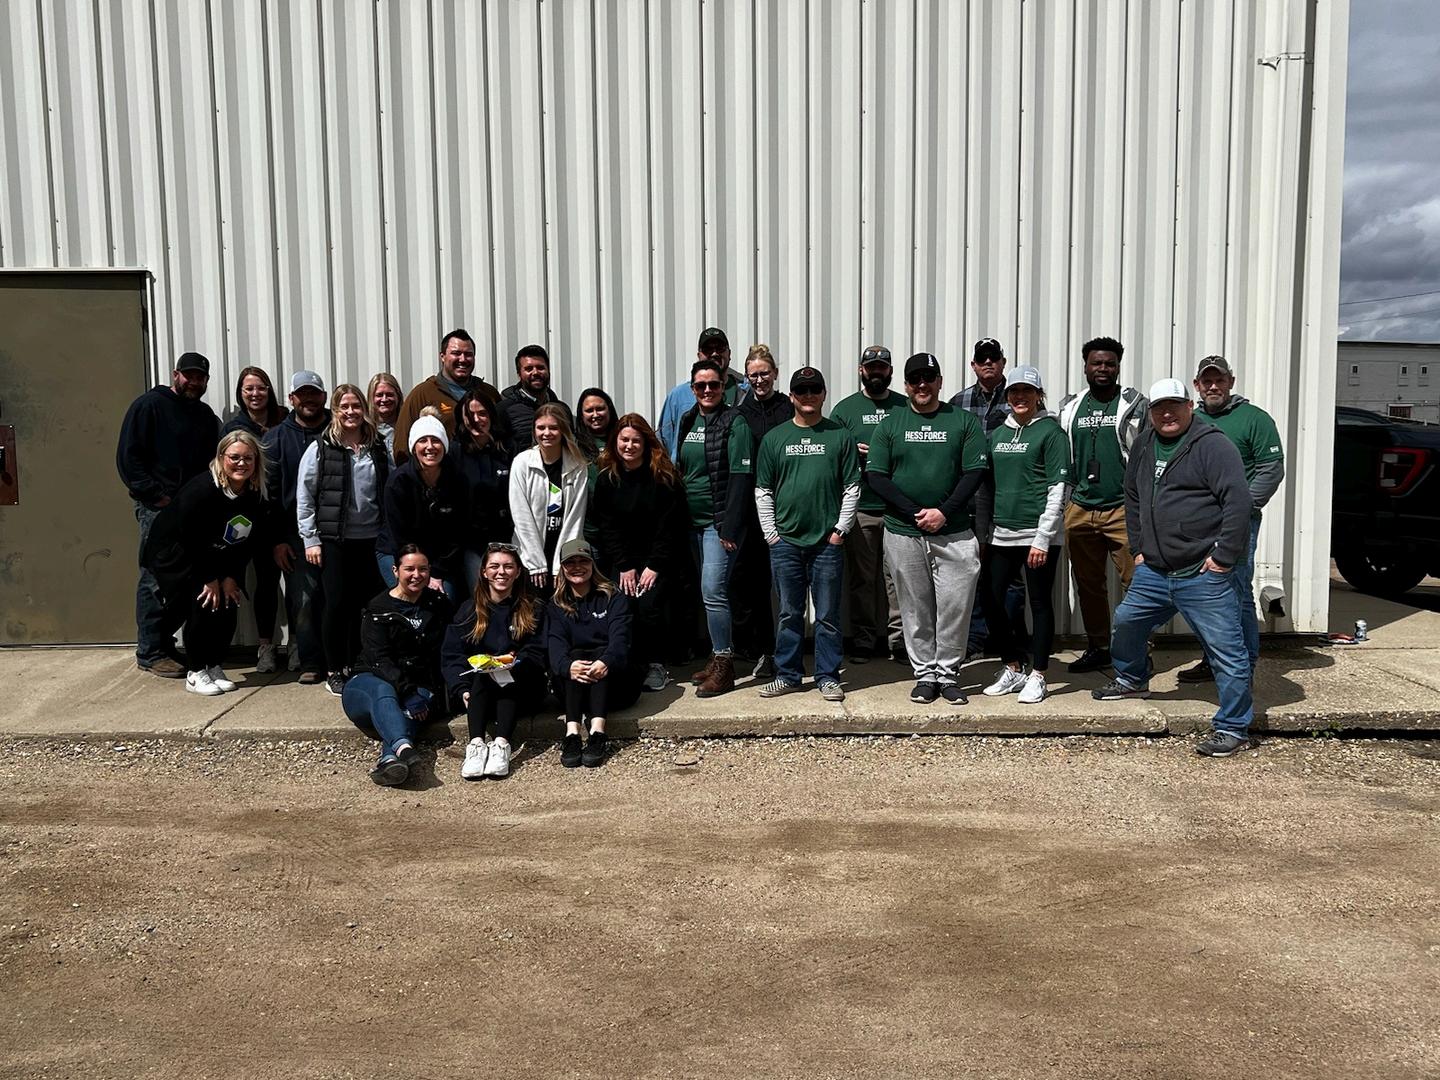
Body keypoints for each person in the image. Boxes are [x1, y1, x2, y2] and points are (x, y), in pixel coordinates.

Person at [1093, 378, 1255, 758]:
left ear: (1189, 406)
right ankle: (1133, 679)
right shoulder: (1145, 443)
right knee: (1127, 622)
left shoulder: (1213, 445)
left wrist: (1223, 558)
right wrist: (1138, 549)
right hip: (1154, 570)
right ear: (1150, 412)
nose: (1167, 413)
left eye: (1174, 406)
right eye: (1159, 407)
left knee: (1226, 650)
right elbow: (1132, 496)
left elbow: (1238, 502)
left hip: (1201, 572)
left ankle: (1233, 727)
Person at [866, 352, 989, 705]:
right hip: (903, 532)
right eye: (915, 379)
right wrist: (916, 512)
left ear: (939, 382)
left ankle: (948, 673)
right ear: (906, 385)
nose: (922, 385)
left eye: (929, 378)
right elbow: (876, 475)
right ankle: (925, 674)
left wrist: (943, 513)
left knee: (954, 606)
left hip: (954, 532)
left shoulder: (962, 422)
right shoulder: (890, 424)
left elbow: (974, 472)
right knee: (914, 607)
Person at [753, 367, 860, 702]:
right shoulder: (775, 439)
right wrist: (772, 535)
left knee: (827, 615)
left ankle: (828, 676)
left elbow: (852, 487)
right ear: (792, 397)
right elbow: (763, 490)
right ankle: (788, 675)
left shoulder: (839, 436)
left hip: (827, 543)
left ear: (824, 394)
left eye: (815, 389)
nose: (809, 396)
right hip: (785, 542)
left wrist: (840, 530)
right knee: (789, 613)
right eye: (802, 390)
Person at [1176, 355, 1286, 683]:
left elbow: (1271, 469)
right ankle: (1214, 660)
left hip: (1236, 525)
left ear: (1231, 382)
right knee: (1199, 593)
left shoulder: (1254, 419)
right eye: (1206, 381)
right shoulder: (1189, 420)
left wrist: (1240, 509)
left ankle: (1243, 667)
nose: (1213, 386)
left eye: (1219, 380)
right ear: (1197, 385)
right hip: (1196, 525)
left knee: (1235, 592)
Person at [140, 430, 272, 696]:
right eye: (234, 457)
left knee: (228, 604)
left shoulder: (254, 495)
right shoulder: (202, 490)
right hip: (179, 556)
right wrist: (208, 578)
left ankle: (213, 664)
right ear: (222, 458)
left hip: (218, 554)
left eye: (248, 458)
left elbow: (245, 541)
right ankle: (196, 670)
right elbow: (191, 540)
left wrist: (231, 576)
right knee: (202, 603)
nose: (242, 463)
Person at [116, 350, 220, 678]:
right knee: (154, 578)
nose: (194, 382)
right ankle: (150, 652)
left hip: (193, 510)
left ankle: (165, 643)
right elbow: (128, 458)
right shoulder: (149, 406)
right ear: (176, 375)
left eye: (200, 377)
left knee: (184, 578)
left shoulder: (204, 415)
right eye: (189, 375)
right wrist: (155, 495)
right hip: (157, 510)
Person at [978, 367, 1073, 705]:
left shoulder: (1051, 432)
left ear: (1038, 395)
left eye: (1027, 391)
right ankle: (1013, 666)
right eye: (1014, 391)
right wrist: (985, 534)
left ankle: (1039, 675)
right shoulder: (998, 435)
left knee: (1039, 603)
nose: (1020, 397)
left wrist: (1043, 538)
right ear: (1007, 396)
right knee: (990, 598)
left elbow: (1058, 487)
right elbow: (988, 486)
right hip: (1002, 533)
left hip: (1037, 535)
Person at [1057, 335, 1148, 673]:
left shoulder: (1135, 404)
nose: (1103, 369)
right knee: (1088, 585)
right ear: (1085, 367)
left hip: (1122, 507)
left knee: (1137, 583)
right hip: (1081, 507)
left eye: (1110, 363)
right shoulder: (1071, 406)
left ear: (1118, 367)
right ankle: (1099, 647)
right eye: (1097, 363)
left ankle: (1138, 651)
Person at [296, 384, 388, 695]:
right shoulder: (321, 448)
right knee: (336, 604)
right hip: (334, 540)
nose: (351, 412)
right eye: (344, 407)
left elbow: (388, 488)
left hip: (372, 539)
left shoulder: (378, 446)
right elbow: (305, 496)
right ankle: (334, 669)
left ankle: (359, 663)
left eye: (356, 406)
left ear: (364, 409)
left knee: (366, 606)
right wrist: (310, 539)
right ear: (335, 411)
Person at [590, 414, 689, 692]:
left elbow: (671, 527)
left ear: (646, 444)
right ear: (615, 442)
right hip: (623, 560)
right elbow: (607, 526)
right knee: (621, 606)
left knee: (649, 608)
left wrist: (654, 566)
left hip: (658, 559)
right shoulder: (607, 479)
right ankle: (627, 663)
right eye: (624, 440)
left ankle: (656, 664)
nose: (629, 446)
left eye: (636, 441)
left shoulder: (664, 478)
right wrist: (624, 565)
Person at [677, 357, 756, 697]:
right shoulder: (688, 419)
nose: (707, 390)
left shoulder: (734, 421)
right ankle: (715, 655)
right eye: (701, 385)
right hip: (691, 522)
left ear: (724, 386)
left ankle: (725, 664)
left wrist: (729, 528)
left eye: (714, 384)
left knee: (713, 591)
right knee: (707, 593)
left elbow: (741, 476)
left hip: (718, 523)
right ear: (692, 388)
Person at [343, 544, 452, 786]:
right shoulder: (377, 609)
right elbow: (379, 659)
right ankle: (405, 749)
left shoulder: (438, 604)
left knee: (414, 706)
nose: (416, 575)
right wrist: (407, 691)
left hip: (418, 685)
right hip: (370, 684)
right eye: (409, 569)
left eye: (423, 569)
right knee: (385, 690)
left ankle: (391, 760)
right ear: (395, 571)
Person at [441, 542, 548, 780]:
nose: (501, 572)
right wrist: (462, 689)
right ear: (484, 572)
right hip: (480, 697)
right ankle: (476, 745)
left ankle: (501, 745)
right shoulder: (469, 610)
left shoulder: (533, 608)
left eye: (508, 566)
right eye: (495, 566)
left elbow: (539, 651)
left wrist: (514, 663)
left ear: (518, 572)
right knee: (484, 674)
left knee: (501, 674)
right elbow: (452, 655)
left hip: (523, 690)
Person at [830, 345, 908, 664]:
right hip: (862, 508)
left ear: (890, 371)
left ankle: (899, 641)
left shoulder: (905, 406)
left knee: (898, 579)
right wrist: (852, 450)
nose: (876, 372)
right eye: (871, 367)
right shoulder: (845, 410)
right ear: (861, 370)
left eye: (882, 367)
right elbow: (832, 455)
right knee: (862, 579)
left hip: (899, 509)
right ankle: (863, 639)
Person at [950, 337, 1025, 662]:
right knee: (974, 569)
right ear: (973, 365)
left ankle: (1010, 638)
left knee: (1011, 575)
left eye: (994, 357)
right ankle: (977, 638)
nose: (988, 363)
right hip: (970, 498)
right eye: (982, 358)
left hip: (1009, 496)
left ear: (1003, 362)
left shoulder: (1019, 398)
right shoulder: (958, 402)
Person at [547, 539, 643, 769]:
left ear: (593, 564)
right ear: (563, 568)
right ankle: (572, 734)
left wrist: (605, 661)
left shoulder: (613, 597)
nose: (577, 567)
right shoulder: (556, 604)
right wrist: (568, 666)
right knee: (576, 655)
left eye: (583, 561)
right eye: (570, 562)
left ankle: (598, 732)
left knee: (599, 652)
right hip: (574, 689)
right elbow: (555, 645)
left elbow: (620, 640)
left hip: (615, 686)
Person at [263, 370, 331, 683]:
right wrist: (277, 540)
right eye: (302, 394)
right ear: (291, 399)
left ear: (324, 396)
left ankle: (340, 659)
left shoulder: (338, 430)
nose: (309, 400)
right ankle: (310, 662)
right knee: (303, 600)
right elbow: (268, 497)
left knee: (337, 598)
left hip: (338, 532)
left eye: (314, 393)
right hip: (294, 535)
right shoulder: (276, 439)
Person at [732, 345, 794, 680]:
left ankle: (787, 652)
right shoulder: (740, 413)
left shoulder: (788, 407)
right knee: (751, 586)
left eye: (764, 373)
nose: (759, 380)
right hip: (753, 512)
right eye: (753, 375)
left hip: (788, 508)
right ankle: (762, 650)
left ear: (775, 374)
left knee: (786, 586)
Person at [221, 366, 286, 672]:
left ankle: (271, 647)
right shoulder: (233, 427)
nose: (255, 394)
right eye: (249, 389)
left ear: (269, 391)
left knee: (268, 582)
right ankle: (222, 646)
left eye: (261, 388)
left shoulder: (284, 421)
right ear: (241, 393)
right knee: (229, 577)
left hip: (273, 516)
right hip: (241, 515)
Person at [380, 412, 468, 602]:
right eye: (422, 441)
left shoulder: (457, 479)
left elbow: (458, 533)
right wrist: (419, 572)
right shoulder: (398, 482)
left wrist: (435, 572)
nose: (430, 447)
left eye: (436, 440)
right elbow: (399, 536)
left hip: (441, 558)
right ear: (414, 447)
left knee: (443, 600)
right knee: (411, 595)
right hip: (398, 552)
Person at [509, 403, 589, 592]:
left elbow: (576, 517)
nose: (547, 433)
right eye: (541, 427)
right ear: (534, 430)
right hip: (529, 555)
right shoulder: (522, 462)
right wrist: (536, 563)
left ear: (563, 431)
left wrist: (562, 562)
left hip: (563, 552)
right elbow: (521, 516)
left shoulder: (577, 465)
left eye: (553, 428)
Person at [392, 329, 503, 464]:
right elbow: (402, 447)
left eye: (468, 354)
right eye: (456, 353)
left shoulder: (488, 394)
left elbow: (502, 436)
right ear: (442, 356)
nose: (463, 359)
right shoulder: (423, 394)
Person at [450, 389, 513, 592]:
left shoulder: (508, 449)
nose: (476, 420)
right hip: (471, 543)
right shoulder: (454, 453)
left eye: (482, 413)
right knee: (481, 595)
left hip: (506, 539)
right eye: (470, 415)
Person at [657, 327, 748, 456]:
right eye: (708, 349)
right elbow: (662, 443)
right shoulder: (678, 396)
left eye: (720, 348)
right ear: (699, 355)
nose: (714, 353)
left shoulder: (746, 393)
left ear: (729, 353)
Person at [500, 345, 572, 456]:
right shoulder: (504, 409)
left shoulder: (562, 410)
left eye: (540, 367)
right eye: (529, 369)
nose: (535, 373)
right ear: (519, 374)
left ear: (549, 370)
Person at [574, 386, 619, 549]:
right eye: (589, 410)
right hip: (590, 532)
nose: (595, 415)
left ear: (609, 410)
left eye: (600, 409)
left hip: (621, 532)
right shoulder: (574, 445)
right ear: (581, 415)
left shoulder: (623, 440)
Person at [367, 372, 405, 463]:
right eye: (379, 395)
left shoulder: (407, 425)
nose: (384, 399)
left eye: (389, 394)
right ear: (371, 398)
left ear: (398, 396)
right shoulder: (365, 429)